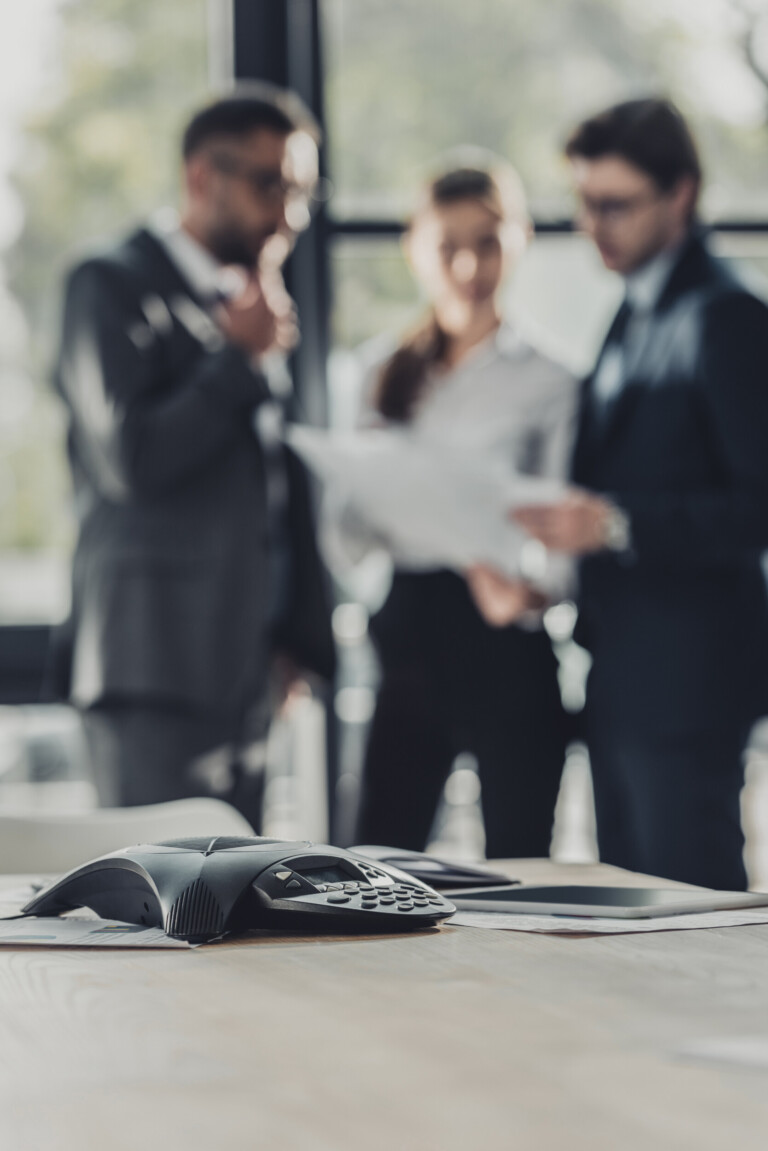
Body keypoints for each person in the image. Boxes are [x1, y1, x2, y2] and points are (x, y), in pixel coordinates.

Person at [476, 98, 768, 889]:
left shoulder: (726, 318)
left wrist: (612, 523)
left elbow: (759, 506)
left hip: (689, 681)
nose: (592, 225)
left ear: (682, 195)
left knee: (690, 910)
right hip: (622, 670)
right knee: (636, 911)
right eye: (582, 202)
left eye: (615, 204)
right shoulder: (629, 313)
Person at [54, 85, 336, 824]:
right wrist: (237, 358)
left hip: (249, 674)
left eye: (302, 189)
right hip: (152, 668)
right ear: (200, 176)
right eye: (269, 183)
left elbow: (274, 483)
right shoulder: (108, 284)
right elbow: (130, 459)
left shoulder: (255, 308)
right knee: (159, 913)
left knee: (234, 918)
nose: (289, 213)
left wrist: (294, 634)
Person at [328, 159, 576, 858]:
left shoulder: (553, 378)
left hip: (505, 629)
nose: (469, 265)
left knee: (522, 864)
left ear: (520, 240)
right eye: (448, 246)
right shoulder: (376, 373)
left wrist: (533, 594)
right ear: (415, 248)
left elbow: (563, 528)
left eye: (490, 242)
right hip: (407, 630)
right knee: (378, 857)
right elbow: (345, 536)